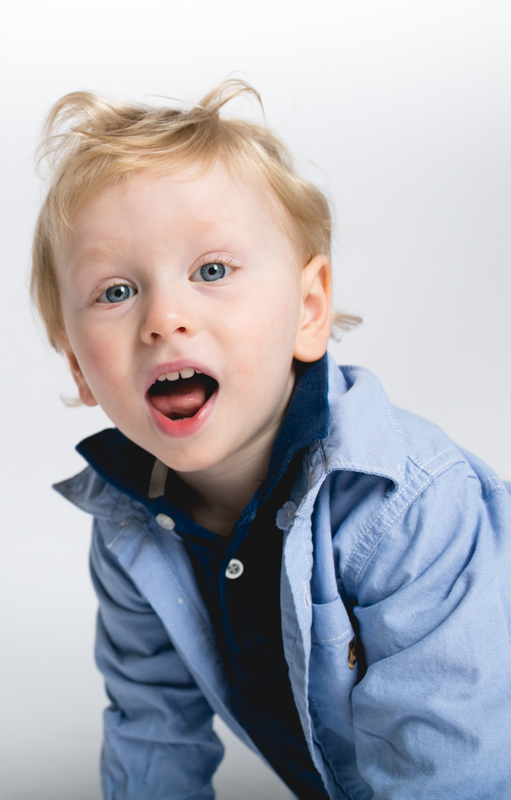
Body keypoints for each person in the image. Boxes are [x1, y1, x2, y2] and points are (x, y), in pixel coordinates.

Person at [34, 80, 511, 799]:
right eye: (116, 291)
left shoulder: (407, 507)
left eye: (213, 270)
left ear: (309, 310)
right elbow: (154, 731)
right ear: (77, 363)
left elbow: (449, 772)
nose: (164, 317)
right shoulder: (132, 530)